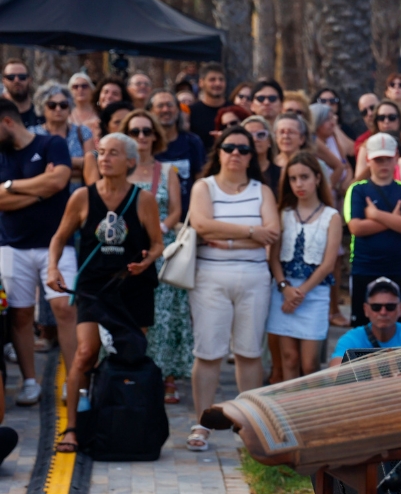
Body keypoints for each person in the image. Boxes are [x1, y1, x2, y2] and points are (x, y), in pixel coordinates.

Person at [46, 132, 162, 452]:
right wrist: (53, 268)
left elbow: (157, 244)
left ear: (130, 162)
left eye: (113, 153)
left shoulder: (143, 199)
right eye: (100, 153)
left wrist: (147, 261)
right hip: (94, 288)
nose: (105, 159)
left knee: (131, 355)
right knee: (85, 354)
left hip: (133, 287)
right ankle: (71, 428)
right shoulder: (82, 197)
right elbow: (59, 237)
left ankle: (127, 419)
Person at [185, 125, 280, 452]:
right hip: (210, 277)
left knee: (249, 352)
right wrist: (250, 232)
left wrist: (225, 239)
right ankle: (202, 422)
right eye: (229, 147)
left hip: (254, 279)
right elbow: (200, 224)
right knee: (208, 352)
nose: (236, 154)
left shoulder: (262, 191)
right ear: (219, 151)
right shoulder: (204, 187)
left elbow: (273, 232)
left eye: (243, 149)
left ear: (252, 155)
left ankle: (249, 426)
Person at [0, 97, 76, 405]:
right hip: (11, 244)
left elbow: (59, 180)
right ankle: (30, 381)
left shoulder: (51, 144)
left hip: (56, 243)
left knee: (65, 309)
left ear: (7, 122)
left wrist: (9, 186)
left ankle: (75, 379)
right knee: (19, 314)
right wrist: (40, 190)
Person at [121, 110, 190, 402]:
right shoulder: (118, 170)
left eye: (146, 131)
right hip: (124, 249)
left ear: (155, 136)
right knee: (127, 313)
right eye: (134, 131)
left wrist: (156, 229)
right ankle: (129, 370)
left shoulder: (167, 172)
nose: (141, 137)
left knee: (164, 315)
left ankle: (166, 375)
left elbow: (176, 210)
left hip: (161, 248)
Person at [267, 152, 343, 379]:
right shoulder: (284, 214)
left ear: (318, 178)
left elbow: (328, 264)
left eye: (305, 177)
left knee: (309, 363)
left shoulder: (331, 216)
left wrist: (300, 293)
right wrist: (285, 288)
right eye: (293, 179)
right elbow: (274, 256)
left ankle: (310, 408)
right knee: (288, 358)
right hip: (283, 290)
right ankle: (290, 409)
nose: (299, 184)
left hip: (314, 292)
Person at [345, 133, 401, 326]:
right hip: (365, 267)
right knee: (362, 326)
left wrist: (376, 215)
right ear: (369, 160)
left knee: (400, 326)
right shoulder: (357, 190)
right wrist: (394, 218)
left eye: (387, 159)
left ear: (396, 157)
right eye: (378, 159)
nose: (383, 164)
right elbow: (356, 227)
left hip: (399, 267)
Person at [329, 277, 401, 365]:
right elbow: (335, 369)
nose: (383, 312)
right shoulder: (352, 338)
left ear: (400, 309)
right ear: (366, 309)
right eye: (376, 307)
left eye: (390, 307)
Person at [31, 82, 96, 191]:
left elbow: (91, 164)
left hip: (78, 193)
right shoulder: (33, 133)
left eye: (63, 105)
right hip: (43, 193)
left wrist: (57, 165)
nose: (58, 109)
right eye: (52, 105)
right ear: (43, 107)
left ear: (69, 108)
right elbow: (32, 167)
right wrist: (76, 164)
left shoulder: (82, 131)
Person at [150, 90, 206, 214]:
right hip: (154, 214)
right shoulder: (146, 143)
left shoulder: (193, 142)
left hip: (187, 216)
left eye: (170, 105)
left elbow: (200, 179)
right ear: (151, 111)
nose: (165, 110)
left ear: (177, 109)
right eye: (160, 106)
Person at [354, 100, 401, 181]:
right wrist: (374, 161)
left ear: (399, 120)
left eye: (392, 117)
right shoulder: (366, 146)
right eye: (381, 118)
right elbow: (358, 181)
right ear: (376, 121)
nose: (386, 121)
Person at [189, 63, 228, 153]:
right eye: (212, 80)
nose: (218, 83)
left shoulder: (235, 111)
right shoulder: (191, 112)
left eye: (221, 79)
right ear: (201, 83)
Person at [313, 87, 358, 157]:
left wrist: (334, 125)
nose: (328, 104)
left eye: (333, 101)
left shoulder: (346, 129)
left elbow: (351, 151)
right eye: (323, 101)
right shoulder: (310, 130)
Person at [242, 115, 280, 194]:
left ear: (269, 141)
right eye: (249, 136)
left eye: (261, 135)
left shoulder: (282, 174)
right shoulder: (236, 173)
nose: (255, 139)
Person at [2, 59, 40, 127]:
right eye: (11, 77)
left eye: (22, 77)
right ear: (4, 81)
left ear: (30, 80)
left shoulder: (42, 114)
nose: (16, 80)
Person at [68, 73, 101, 137]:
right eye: (75, 87)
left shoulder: (100, 111)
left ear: (92, 89)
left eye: (84, 86)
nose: (80, 89)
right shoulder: (66, 113)